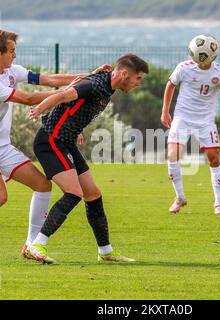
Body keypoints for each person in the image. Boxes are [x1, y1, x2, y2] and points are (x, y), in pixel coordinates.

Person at [0, 30, 110, 265]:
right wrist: (66, 95)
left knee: (42, 185)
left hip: (1, 146)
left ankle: (30, 245)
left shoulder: (9, 71)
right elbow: (29, 99)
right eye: (11, 51)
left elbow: (49, 79)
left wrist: (90, 76)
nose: (15, 55)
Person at [27, 53, 149, 264]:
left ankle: (106, 251)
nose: (139, 84)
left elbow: (76, 104)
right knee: (74, 193)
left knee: (93, 194)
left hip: (66, 140)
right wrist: (40, 108)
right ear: (124, 74)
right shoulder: (94, 85)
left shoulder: (106, 84)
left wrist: (75, 127)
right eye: (138, 78)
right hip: (50, 141)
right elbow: (64, 95)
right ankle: (36, 244)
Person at [161, 38, 220, 215]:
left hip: (206, 120)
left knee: (213, 157)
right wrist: (165, 111)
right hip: (182, 117)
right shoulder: (184, 68)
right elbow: (170, 85)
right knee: (172, 155)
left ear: (212, 54)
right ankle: (179, 197)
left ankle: (218, 202)